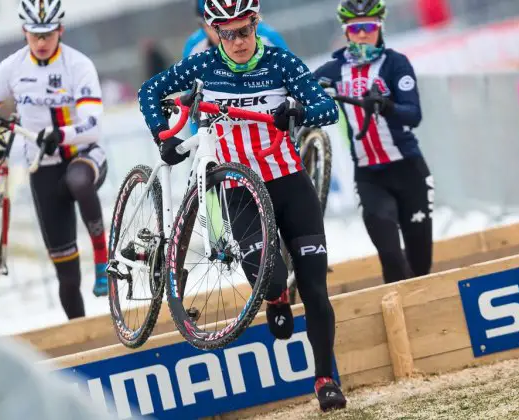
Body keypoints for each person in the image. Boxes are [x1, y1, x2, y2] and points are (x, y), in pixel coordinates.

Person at [138, 0, 347, 412]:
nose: (237, 41)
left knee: (316, 289)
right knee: (272, 277)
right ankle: (275, 297)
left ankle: (326, 378)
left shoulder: (281, 63)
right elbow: (150, 91)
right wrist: (163, 134)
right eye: (226, 33)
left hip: (289, 183)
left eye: (244, 31)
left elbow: (328, 107)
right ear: (214, 31)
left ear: (256, 25)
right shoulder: (201, 67)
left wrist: (299, 108)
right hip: (239, 190)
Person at [0, 0, 110, 320]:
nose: (42, 42)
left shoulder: (78, 65)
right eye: (35, 36)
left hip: (83, 155)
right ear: (24, 33)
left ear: (60, 30)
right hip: (42, 170)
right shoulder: (12, 67)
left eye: (48, 34)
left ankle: (103, 260)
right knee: (67, 277)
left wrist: (60, 134)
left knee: (78, 181)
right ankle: (81, 337)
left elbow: (94, 125)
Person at [313, 0, 434, 284]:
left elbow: (414, 115)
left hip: (409, 171)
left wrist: (386, 105)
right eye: (356, 28)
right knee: (391, 257)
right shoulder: (333, 70)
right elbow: (298, 95)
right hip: (370, 177)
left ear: (380, 26)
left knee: (420, 265)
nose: (363, 34)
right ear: (346, 31)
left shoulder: (396, 63)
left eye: (369, 26)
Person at [183, 0, 289, 58]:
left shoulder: (269, 38)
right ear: (203, 26)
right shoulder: (195, 46)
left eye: (244, 30)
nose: (237, 41)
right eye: (224, 32)